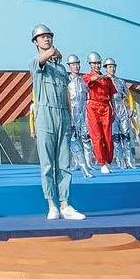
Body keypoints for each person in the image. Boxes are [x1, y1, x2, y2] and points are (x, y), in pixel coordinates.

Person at [31, 25, 83, 220]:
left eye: (49, 36)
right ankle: (51, 204)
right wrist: (55, 51)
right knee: (47, 165)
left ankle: (65, 204)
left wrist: (70, 118)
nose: (46, 39)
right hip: (45, 115)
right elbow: (45, 56)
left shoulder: (61, 68)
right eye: (42, 37)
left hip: (63, 116)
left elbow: (67, 95)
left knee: (64, 163)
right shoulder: (35, 63)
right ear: (36, 42)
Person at [82, 52, 116, 174]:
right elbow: (91, 80)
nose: (96, 65)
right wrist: (101, 77)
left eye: (98, 63)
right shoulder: (87, 76)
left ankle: (108, 160)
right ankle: (102, 162)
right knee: (97, 136)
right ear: (90, 64)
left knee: (108, 136)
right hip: (93, 107)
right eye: (94, 63)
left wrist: (114, 110)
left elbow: (111, 96)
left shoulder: (107, 79)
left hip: (106, 107)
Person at [105, 59, 139, 167]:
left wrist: (131, 108)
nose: (112, 69)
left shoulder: (120, 81)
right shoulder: (104, 80)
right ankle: (120, 161)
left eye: (113, 66)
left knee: (126, 135)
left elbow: (129, 95)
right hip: (111, 109)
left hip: (122, 109)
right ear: (106, 68)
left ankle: (129, 160)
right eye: (110, 67)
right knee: (116, 137)